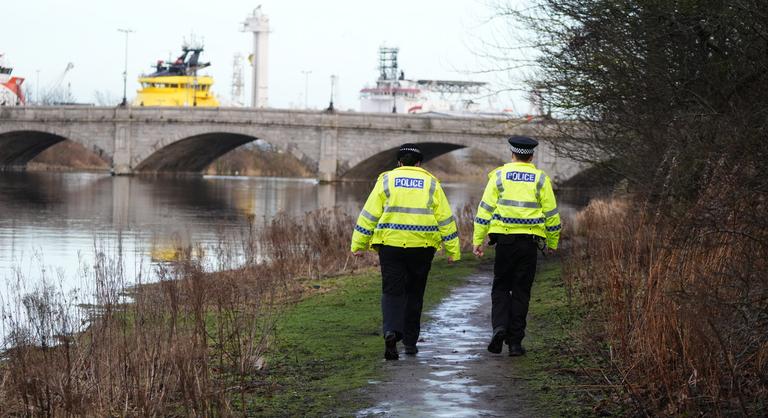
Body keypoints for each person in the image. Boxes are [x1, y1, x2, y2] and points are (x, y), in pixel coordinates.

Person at [351, 143, 461, 360]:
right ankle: (410, 343)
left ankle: (391, 331)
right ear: (419, 163)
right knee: (415, 293)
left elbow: (369, 214)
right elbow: (445, 218)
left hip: (390, 246)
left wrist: (359, 244)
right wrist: (452, 249)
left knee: (392, 291)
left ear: (399, 163)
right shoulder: (431, 183)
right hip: (422, 247)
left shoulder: (386, 181)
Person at [472, 136, 561, 356]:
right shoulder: (540, 179)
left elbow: (484, 210)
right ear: (531, 156)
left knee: (501, 287)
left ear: (512, 154)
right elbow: (551, 214)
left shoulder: (499, 176)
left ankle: (499, 327)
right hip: (528, 244)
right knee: (521, 291)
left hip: (504, 242)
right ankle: (514, 344)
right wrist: (552, 242)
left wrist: (477, 240)